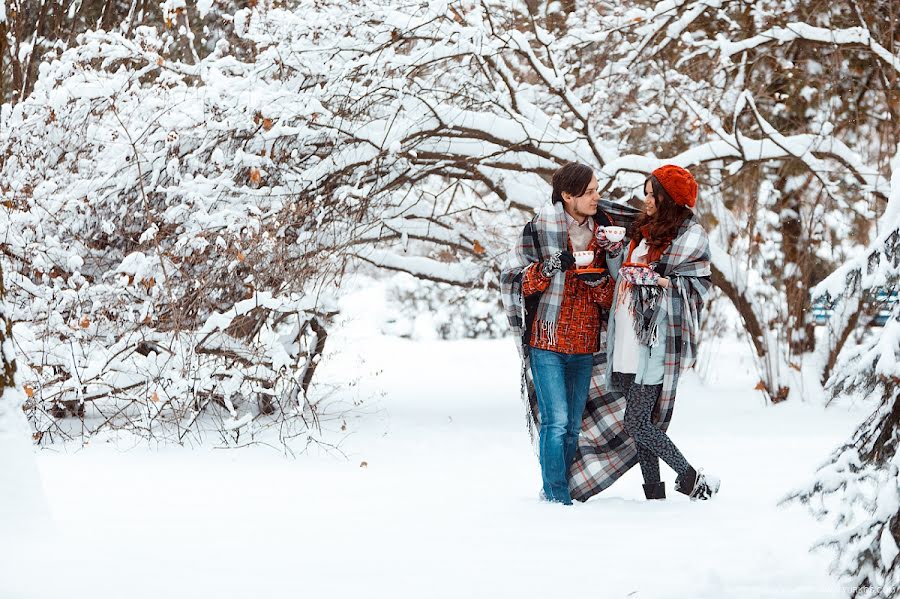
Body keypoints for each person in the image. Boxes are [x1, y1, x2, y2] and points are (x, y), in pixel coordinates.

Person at [500, 162, 625, 505]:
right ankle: (556, 498)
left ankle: (558, 489)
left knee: (572, 426)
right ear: (567, 196)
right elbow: (516, 282)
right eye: (589, 192)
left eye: (597, 189)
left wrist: (597, 280)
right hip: (547, 341)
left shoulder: (606, 233)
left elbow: (615, 295)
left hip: (586, 343)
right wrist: (550, 266)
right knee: (555, 422)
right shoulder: (538, 229)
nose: (597, 197)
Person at [605, 164, 720, 500]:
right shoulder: (640, 230)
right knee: (641, 425)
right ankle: (653, 494)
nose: (647, 200)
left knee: (637, 423)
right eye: (646, 193)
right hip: (625, 330)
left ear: (668, 197)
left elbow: (699, 286)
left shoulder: (690, 237)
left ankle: (692, 478)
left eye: (652, 193)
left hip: (656, 337)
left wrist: (663, 281)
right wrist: (615, 253)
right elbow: (623, 274)